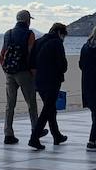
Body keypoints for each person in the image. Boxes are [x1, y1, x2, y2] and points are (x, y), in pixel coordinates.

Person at [27, 22, 69, 150]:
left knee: (50, 108)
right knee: (47, 109)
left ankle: (56, 135)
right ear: (60, 33)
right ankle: (34, 137)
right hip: (52, 81)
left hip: (39, 81)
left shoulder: (39, 41)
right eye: (64, 36)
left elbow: (31, 62)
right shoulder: (57, 43)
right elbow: (62, 65)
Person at [0, 9, 37, 146]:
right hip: (24, 72)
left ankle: (8, 133)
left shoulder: (8, 33)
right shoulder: (29, 34)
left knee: (10, 104)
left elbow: (1, 55)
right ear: (27, 20)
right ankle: (35, 130)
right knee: (31, 103)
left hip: (10, 72)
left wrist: (6, 70)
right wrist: (33, 72)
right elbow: (31, 55)